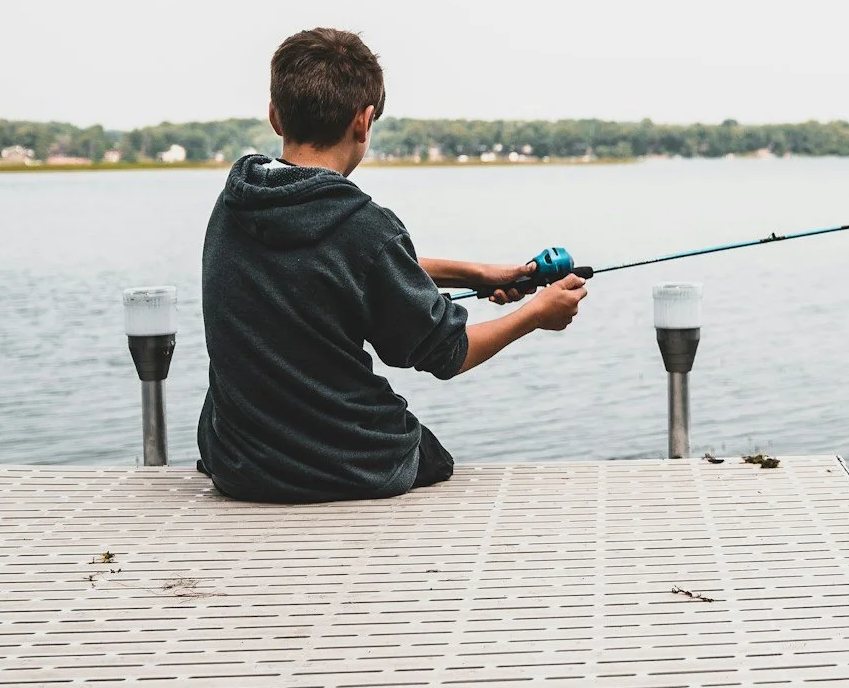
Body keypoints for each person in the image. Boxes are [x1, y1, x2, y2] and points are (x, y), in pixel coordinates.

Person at [194, 27, 584, 502]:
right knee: (432, 457)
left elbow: (340, 266)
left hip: (240, 464)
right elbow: (448, 353)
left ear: (275, 116)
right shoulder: (363, 226)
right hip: (349, 464)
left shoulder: (235, 204)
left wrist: (475, 275)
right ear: (365, 120)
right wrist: (537, 314)